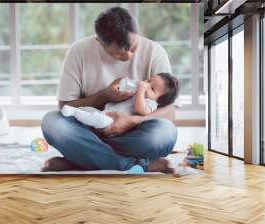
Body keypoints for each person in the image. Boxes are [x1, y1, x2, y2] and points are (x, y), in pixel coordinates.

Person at [41, 7, 178, 173]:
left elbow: (169, 111)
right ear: (99, 42)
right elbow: (64, 106)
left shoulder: (155, 52)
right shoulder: (79, 52)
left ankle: (80, 159)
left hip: (133, 134)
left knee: (163, 133)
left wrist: (131, 121)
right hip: (89, 130)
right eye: (120, 53)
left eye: (133, 48)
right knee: (52, 123)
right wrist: (104, 96)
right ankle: (139, 165)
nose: (128, 56)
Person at [60, 73, 179, 129]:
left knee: (98, 119)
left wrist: (140, 91)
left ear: (159, 102)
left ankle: (76, 114)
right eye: (148, 80)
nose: (146, 85)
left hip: (111, 122)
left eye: (152, 88)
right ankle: (76, 111)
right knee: (91, 112)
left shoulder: (151, 104)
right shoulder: (139, 93)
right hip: (105, 112)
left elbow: (140, 110)